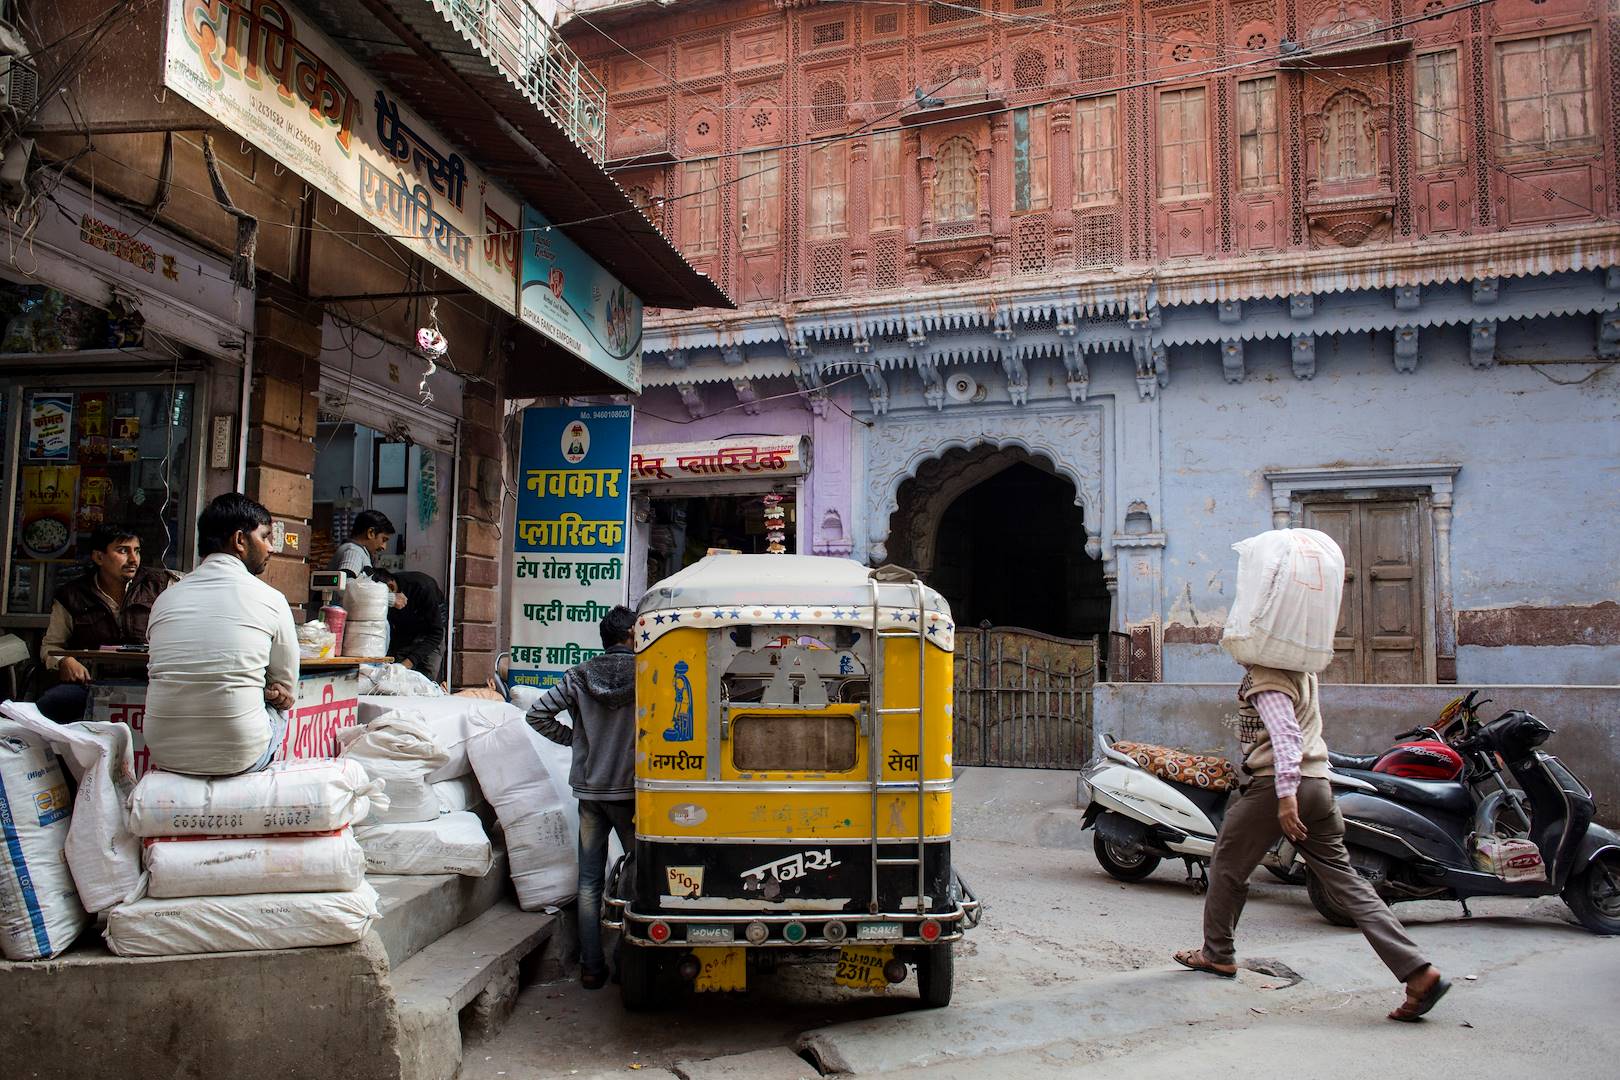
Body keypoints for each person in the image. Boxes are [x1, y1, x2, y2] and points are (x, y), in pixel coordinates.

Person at [1173, 663, 1450, 1022]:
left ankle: (1217, 954)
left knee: (1227, 865)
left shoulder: (1268, 673)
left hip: (1278, 785)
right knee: (1347, 882)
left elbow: (1286, 737)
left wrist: (1286, 797)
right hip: (1319, 784)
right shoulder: (1302, 669)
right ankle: (1417, 971)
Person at [143, 494, 299, 776]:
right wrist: (274, 692)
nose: (271, 548)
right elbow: (286, 687)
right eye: (265, 537)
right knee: (280, 708)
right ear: (240, 540)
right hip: (242, 755)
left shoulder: (165, 599)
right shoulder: (272, 599)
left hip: (163, 751)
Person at [525, 605, 638, 990]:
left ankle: (592, 967)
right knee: (639, 874)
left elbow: (536, 714)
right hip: (629, 793)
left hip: (590, 793)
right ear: (630, 635)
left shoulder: (579, 676)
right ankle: (628, 960)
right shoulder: (646, 673)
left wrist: (575, 740)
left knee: (589, 882)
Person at [36, 524, 177, 723]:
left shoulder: (159, 586)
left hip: (149, 682)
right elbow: (51, 645)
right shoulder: (72, 595)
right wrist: (64, 660)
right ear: (98, 557)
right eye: (123, 551)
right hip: (92, 684)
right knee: (49, 706)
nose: (133, 559)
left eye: (136, 551)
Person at [373, 568, 447, 680]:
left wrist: (409, 662)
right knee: (395, 674)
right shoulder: (383, 596)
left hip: (430, 632)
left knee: (426, 678)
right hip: (405, 631)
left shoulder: (422, 586)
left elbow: (436, 633)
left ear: (391, 587)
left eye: (391, 597)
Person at [329, 509, 396, 584]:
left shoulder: (357, 551)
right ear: (371, 533)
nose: (384, 547)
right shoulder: (354, 552)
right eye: (384, 540)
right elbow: (346, 582)